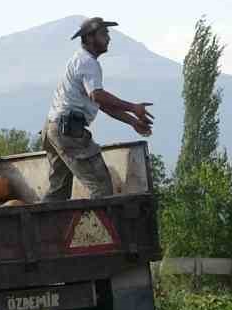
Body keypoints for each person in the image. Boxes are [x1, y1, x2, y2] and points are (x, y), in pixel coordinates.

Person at [41, 16, 154, 202]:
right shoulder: (88, 62)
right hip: (68, 132)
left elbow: (101, 104)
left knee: (58, 193)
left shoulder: (80, 60)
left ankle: (43, 229)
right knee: (101, 187)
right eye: (104, 34)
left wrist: (133, 121)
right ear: (90, 38)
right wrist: (133, 107)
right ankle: (96, 231)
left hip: (53, 128)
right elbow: (97, 96)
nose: (109, 38)